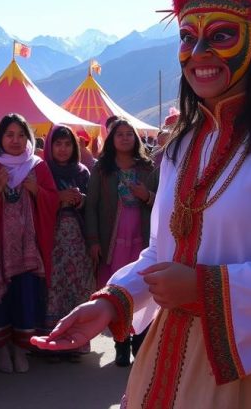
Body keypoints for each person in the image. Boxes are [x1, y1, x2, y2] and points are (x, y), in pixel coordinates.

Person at [34, 0, 251, 408]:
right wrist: (110, 302)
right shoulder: (182, 146)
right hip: (168, 350)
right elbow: (161, 251)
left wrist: (205, 289)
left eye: (220, 35)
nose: (199, 51)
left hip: (248, 365)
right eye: (187, 36)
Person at [0, 113, 59, 374]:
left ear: (28, 138)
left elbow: (53, 199)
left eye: (21, 135)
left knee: (25, 295)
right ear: (0, 137)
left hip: (28, 250)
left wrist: (38, 192)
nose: (15, 140)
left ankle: (20, 349)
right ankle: (1, 349)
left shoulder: (38, 166)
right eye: (9, 135)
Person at [84, 118, 159, 367]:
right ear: (111, 139)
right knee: (118, 290)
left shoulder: (148, 168)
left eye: (130, 134)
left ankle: (140, 343)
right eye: (120, 134)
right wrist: (93, 240)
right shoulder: (102, 169)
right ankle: (121, 345)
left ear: (136, 138)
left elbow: (163, 201)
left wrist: (146, 195)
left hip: (142, 238)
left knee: (141, 289)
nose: (125, 138)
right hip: (112, 240)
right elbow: (91, 206)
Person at [41, 124, 95, 362]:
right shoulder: (42, 171)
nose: (63, 149)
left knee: (78, 288)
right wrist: (57, 199)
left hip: (78, 243)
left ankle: (75, 343)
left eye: (68, 144)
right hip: (51, 241)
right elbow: (35, 204)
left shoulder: (83, 172)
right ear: (49, 146)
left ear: (75, 146)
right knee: (53, 289)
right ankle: (51, 343)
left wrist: (81, 201)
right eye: (58, 144)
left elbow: (94, 207)